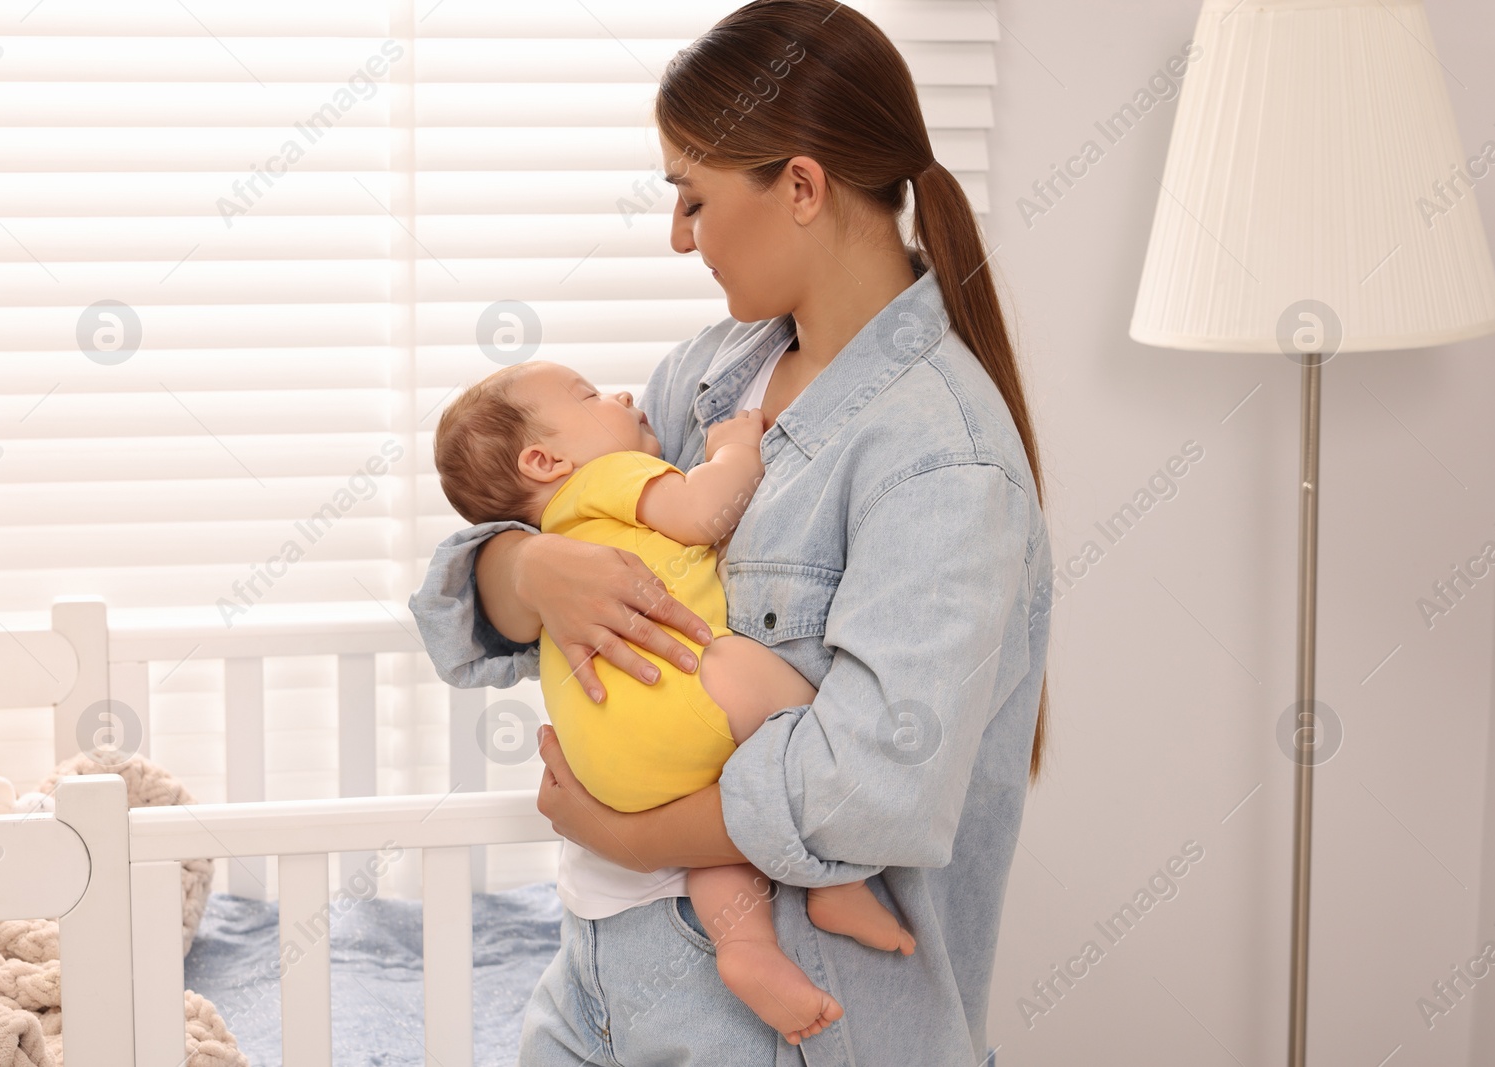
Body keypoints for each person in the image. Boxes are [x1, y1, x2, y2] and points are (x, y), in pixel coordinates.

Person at [408, 1, 1053, 1063]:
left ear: (800, 186)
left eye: (690, 197)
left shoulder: (941, 462)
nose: (677, 235)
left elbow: (867, 786)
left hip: (789, 1030)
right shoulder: (711, 377)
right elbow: (469, 593)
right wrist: (532, 564)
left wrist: (626, 833)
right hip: (600, 989)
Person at [427, 358, 918, 1044]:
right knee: (788, 702)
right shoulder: (606, 479)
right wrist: (734, 448)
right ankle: (834, 880)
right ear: (545, 460)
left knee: (711, 826)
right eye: (588, 394)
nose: (621, 394)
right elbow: (705, 510)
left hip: (604, 765)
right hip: (677, 699)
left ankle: (744, 945)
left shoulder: (560, 537)